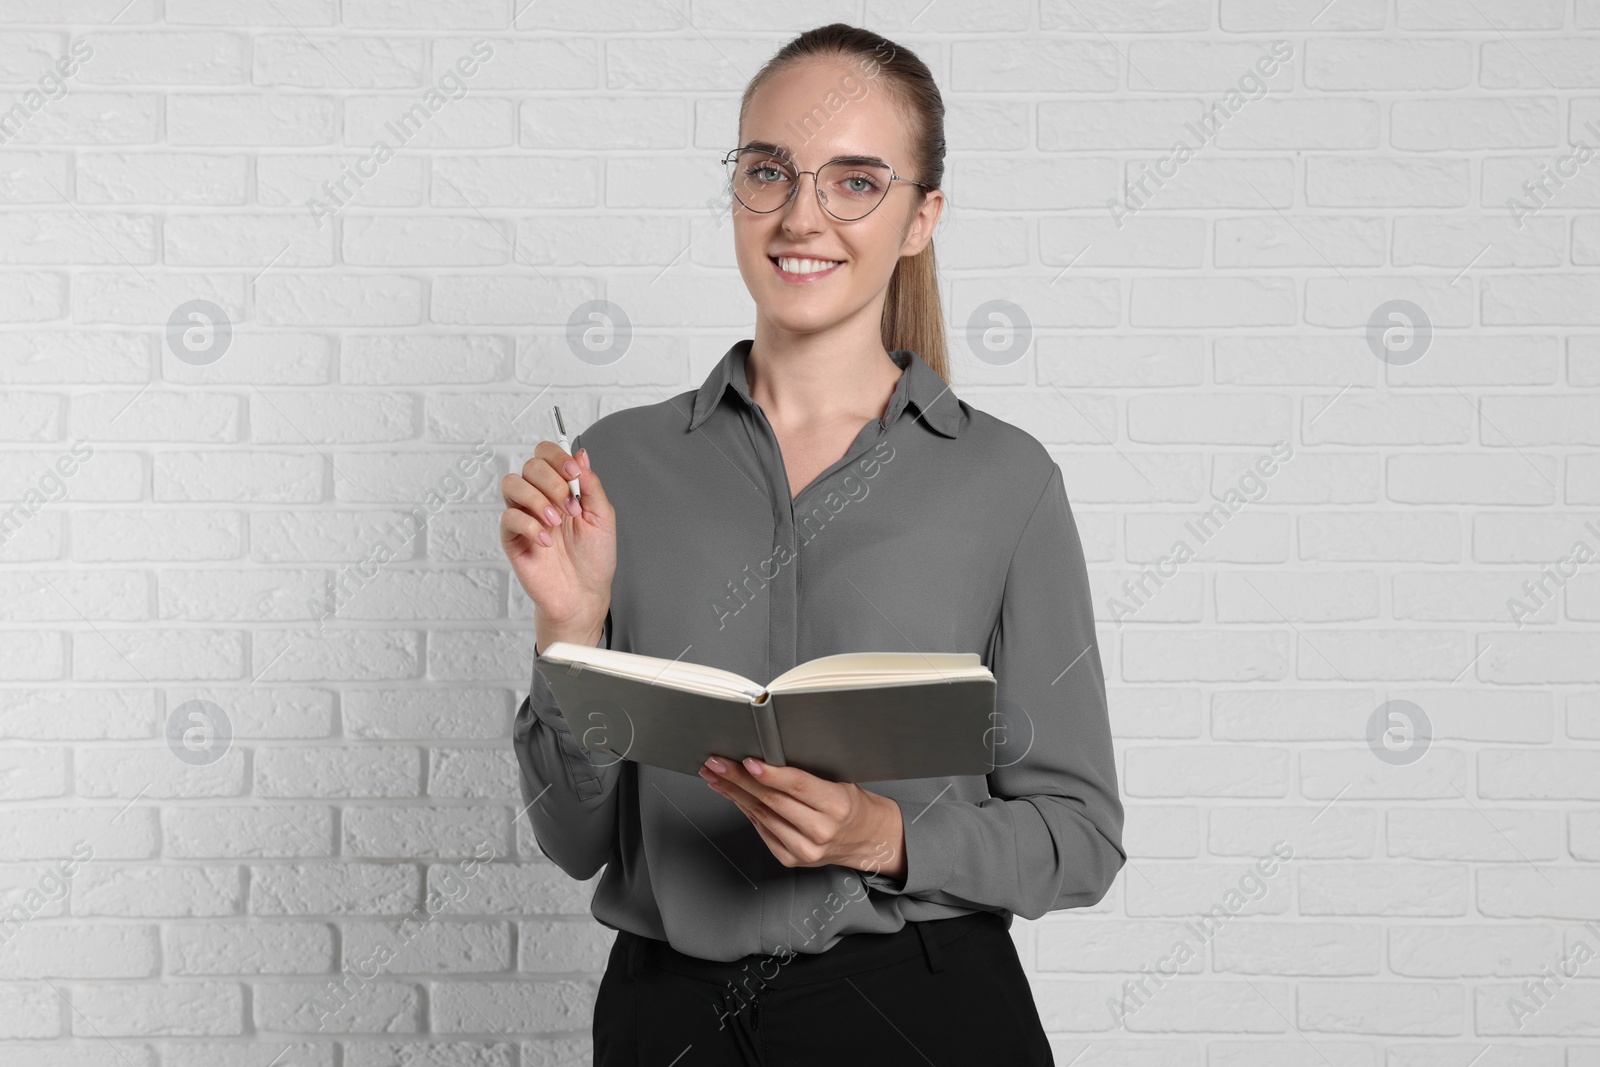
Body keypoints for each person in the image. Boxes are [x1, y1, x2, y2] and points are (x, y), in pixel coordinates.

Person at [499, 22, 1125, 1066]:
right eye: (768, 171)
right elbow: (570, 839)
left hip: (921, 1012)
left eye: (855, 182)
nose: (800, 216)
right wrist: (567, 622)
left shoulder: (1006, 482)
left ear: (921, 217)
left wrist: (887, 838)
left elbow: (1081, 839)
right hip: (668, 1022)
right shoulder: (617, 465)